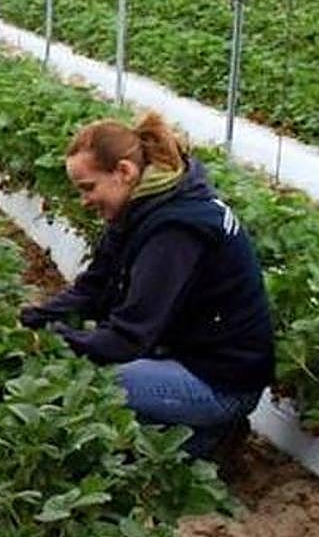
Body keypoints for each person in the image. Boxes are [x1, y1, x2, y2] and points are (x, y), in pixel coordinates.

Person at [19, 113, 274, 459]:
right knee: (89, 381)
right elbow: (93, 287)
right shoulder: (141, 208)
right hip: (183, 357)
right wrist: (33, 320)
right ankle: (189, 432)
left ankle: (206, 439)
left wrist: (59, 342)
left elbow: (128, 337)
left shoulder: (176, 229)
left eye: (88, 187)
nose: (84, 200)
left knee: (94, 386)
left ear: (124, 172)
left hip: (221, 383)